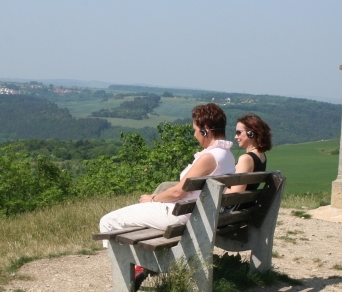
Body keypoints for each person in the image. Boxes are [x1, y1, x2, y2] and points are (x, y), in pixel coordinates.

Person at [99, 103, 236, 246]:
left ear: (205, 130)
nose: (194, 134)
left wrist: (153, 198)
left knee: (107, 221)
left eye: (195, 130)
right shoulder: (227, 155)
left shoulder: (209, 157)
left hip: (179, 216)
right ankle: (136, 264)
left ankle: (121, 265)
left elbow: (178, 193)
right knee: (131, 217)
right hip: (201, 214)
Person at [227, 113, 273, 194]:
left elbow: (235, 193)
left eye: (238, 132)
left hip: (237, 205)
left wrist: (217, 188)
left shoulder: (246, 159)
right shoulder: (261, 156)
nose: (235, 137)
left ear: (250, 133)